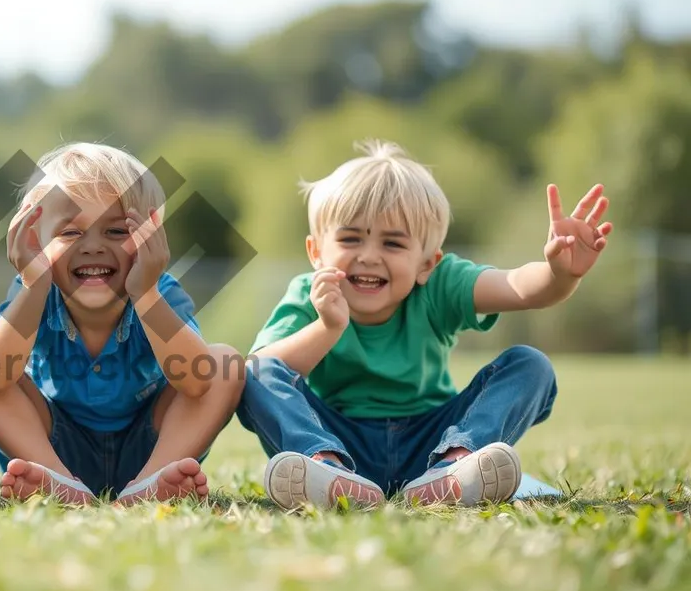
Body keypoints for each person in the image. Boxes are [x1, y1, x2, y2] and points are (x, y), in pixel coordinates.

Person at [237, 140, 613, 509]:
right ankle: (325, 472)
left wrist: (558, 274)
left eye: (393, 244)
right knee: (252, 372)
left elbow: (518, 288)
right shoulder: (309, 294)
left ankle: (456, 467)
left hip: (432, 442)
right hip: (338, 441)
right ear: (316, 252)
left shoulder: (440, 284)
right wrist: (327, 327)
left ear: (426, 264)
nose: (369, 256)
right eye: (351, 238)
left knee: (530, 365)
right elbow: (262, 369)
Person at [0, 141, 246, 505]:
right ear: (35, 240)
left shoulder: (160, 291)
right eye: (70, 232)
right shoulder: (34, 290)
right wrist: (35, 285)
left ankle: (148, 485)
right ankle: (58, 483)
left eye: (117, 232)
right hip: (54, 449)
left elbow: (198, 382)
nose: (92, 246)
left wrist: (147, 295)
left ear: (151, 238)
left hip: (151, 449)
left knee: (222, 365)